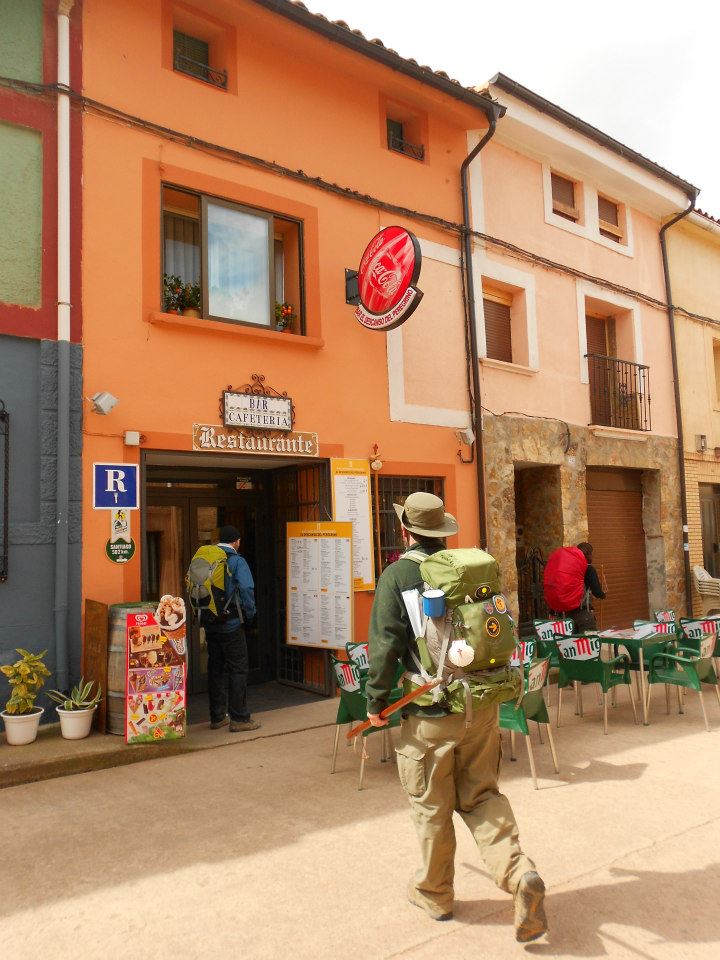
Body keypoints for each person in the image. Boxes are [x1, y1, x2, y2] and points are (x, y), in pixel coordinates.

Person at [365, 492, 547, 943]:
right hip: (481, 706)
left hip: (431, 712)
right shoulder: (465, 570)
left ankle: (435, 893)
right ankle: (519, 873)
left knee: (431, 806)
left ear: (404, 531)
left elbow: (386, 646)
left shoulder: (398, 575)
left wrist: (375, 701)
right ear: (441, 532)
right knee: (482, 794)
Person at [205, 525, 260, 733]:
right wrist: (250, 613)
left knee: (215, 669)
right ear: (236, 541)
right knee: (238, 668)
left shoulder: (208, 558)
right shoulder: (237, 561)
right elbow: (246, 588)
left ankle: (217, 717)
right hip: (231, 624)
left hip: (210, 624)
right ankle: (239, 718)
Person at [573, 542, 606, 631]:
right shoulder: (589, 569)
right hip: (583, 614)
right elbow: (596, 591)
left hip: (567, 615)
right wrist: (603, 595)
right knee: (589, 643)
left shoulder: (570, 568)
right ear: (589, 554)